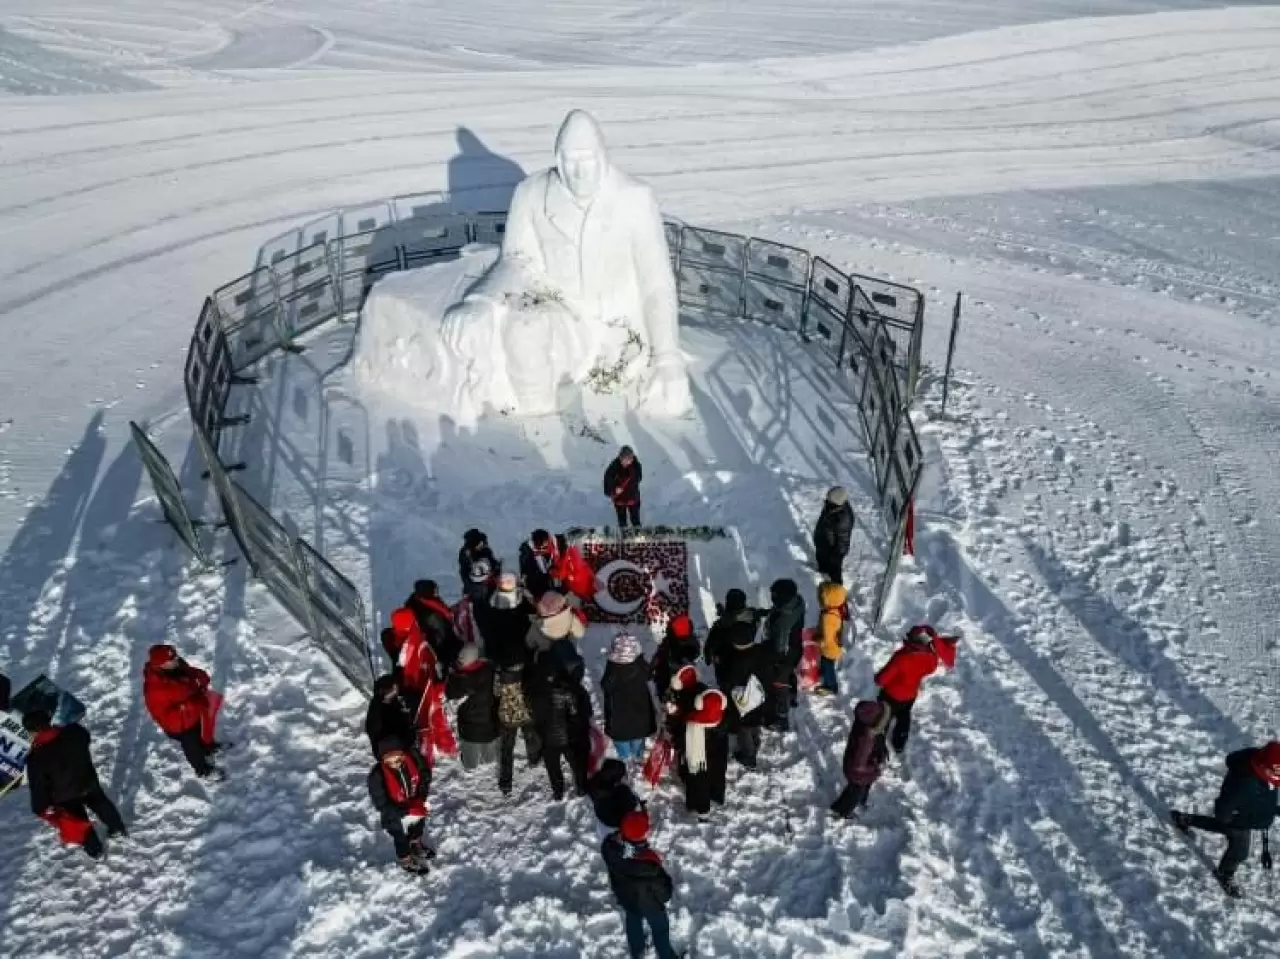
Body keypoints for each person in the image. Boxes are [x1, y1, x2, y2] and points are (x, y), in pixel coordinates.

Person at [1171, 742, 1280, 897]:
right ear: (1263, 767)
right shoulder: (1242, 783)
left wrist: (1270, 810)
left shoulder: (1263, 766)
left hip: (1250, 813)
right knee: (1239, 850)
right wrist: (1234, 818)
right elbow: (1223, 812)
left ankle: (1185, 819)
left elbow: (1266, 795)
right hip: (1241, 819)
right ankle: (1225, 873)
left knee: (1222, 826)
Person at [23, 710, 126, 860]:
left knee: (79, 822)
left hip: (65, 796)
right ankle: (117, 828)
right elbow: (86, 737)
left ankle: (95, 850)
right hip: (88, 781)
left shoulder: (36, 758)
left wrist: (40, 808)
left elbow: (39, 787)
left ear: (33, 732)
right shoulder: (73, 732)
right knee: (102, 804)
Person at [475, 573, 542, 794]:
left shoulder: (498, 675)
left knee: (507, 746)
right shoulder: (527, 672)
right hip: (526, 705)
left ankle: (505, 781)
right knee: (530, 732)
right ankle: (534, 758)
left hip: (506, 712)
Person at [602, 809, 680, 959]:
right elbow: (665, 894)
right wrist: (655, 862)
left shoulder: (610, 850)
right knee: (660, 931)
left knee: (633, 924)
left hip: (627, 900)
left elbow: (611, 842)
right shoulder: (650, 869)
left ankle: (637, 952)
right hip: (652, 908)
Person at [874, 625, 960, 760]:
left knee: (883, 718)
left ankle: (877, 744)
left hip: (891, 696)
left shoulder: (901, 657)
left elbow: (881, 680)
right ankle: (899, 744)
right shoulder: (932, 659)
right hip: (910, 695)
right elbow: (928, 669)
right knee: (904, 717)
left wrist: (877, 676)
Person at [142, 644, 226, 781]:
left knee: (204, 731)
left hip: (193, 714)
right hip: (181, 727)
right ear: (160, 665)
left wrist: (201, 676)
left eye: (175, 656)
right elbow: (165, 716)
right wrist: (191, 705)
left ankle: (209, 748)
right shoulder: (155, 690)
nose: (176, 660)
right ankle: (202, 770)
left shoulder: (177, 665)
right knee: (192, 747)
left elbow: (191, 673)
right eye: (171, 660)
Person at [531, 641, 593, 800]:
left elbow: (536, 715)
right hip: (572, 737)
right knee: (578, 765)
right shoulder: (575, 688)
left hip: (550, 738)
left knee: (553, 767)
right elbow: (584, 712)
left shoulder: (539, 688)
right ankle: (581, 788)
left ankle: (558, 791)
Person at [666, 666, 728, 817]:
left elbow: (682, 739)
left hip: (700, 761)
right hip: (719, 755)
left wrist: (673, 717)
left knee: (699, 782)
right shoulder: (720, 715)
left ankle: (701, 809)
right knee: (718, 773)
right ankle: (717, 795)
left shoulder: (694, 726)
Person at [368, 736, 434, 875]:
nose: (395, 763)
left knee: (418, 826)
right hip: (395, 815)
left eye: (398, 759)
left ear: (403, 754)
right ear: (382, 759)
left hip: (415, 805)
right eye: (389, 760)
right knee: (400, 838)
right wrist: (406, 810)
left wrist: (420, 798)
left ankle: (415, 843)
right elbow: (382, 805)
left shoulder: (413, 760)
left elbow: (424, 775)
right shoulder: (377, 776)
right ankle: (405, 859)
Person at [717, 621, 771, 769]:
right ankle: (755, 741)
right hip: (760, 697)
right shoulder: (761, 651)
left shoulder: (737, 661)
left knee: (744, 728)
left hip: (745, 703)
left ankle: (749, 756)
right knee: (754, 722)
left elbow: (728, 682)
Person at [601, 631, 658, 763]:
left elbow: (606, 686)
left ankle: (626, 761)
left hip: (619, 716)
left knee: (622, 743)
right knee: (638, 739)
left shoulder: (612, 667)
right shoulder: (639, 663)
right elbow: (649, 674)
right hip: (640, 713)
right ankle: (638, 758)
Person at [830, 699, 892, 819]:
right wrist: (875, 766)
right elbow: (859, 765)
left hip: (859, 771)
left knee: (856, 789)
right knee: (855, 793)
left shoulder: (864, 725)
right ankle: (842, 811)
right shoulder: (866, 740)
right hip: (858, 774)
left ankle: (856, 801)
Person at [445, 644, 501, 771]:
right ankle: (489, 759)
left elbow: (450, 694)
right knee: (490, 755)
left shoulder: (462, 679)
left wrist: (452, 674)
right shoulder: (489, 669)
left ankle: (470, 765)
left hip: (470, 728)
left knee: (470, 763)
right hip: (490, 724)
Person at [762, 579, 805, 732]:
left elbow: (779, 644)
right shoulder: (798, 601)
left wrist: (776, 660)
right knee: (789, 674)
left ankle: (781, 717)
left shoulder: (782, 623)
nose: (772, 597)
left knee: (779, 682)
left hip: (784, 654)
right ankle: (792, 695)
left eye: (774, 595)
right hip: (795, 648)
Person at [703, 589, 764, 686]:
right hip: (748, 660)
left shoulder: (720, 626)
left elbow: (709, 648)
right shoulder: (752, 616)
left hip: (726, 667)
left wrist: (709, 657)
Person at [519, 529, 597, 603]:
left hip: (566, 580)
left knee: (580, 579)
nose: (542, 550)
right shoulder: (528, 555)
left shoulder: (563, 546)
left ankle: (589, 594)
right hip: (541, 588)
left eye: (545, 547)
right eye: (540, 548)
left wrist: (556, 572)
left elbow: (568, 570)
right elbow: (526, 574)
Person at [404, 580, 462, 671]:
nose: (437, 592)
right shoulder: (430, 614)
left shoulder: (417, 602)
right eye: (435, 590)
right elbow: (442, 635)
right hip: (441, 651)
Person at [588, 757, 644, 838]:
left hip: (602, 818)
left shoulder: (595, 781)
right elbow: (631, 806)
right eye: (622, 776)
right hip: (618, 823)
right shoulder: (622, 791)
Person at [815, 582, 851, 695]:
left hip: (829, 647)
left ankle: (831, 685)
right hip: (834, 646)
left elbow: (827, 637)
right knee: (827, 663)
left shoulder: (828, 617)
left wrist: (818, 640)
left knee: (828, 665)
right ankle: (824, 673)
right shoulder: (836, 609)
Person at [365, 674, 415, 758]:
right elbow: (376, 727)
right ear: (383, 691)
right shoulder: (377, 707)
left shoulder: (393, 702)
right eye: (393, 689)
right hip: (392, 751)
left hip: (401, 748)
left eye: (396, 688)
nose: (396, 691)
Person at [813, 486, 855, 585]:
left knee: (834, 571)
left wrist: (836, 556)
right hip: (823, 543)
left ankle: (837, 589)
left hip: (832, 550)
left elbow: (843, 542)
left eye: (829, 499)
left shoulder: (843, 520)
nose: (826, 500)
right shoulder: (831, 506)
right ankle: (822, 571)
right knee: (821, 560)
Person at [651, 614, 700, 696]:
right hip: (688, 675)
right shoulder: (692, 640)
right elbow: (696, 653)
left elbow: (659, 658)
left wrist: (652, 670)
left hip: (671, 675)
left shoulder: (668, 643)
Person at [527, 590, 588, 655]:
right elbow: (581, 633)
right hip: (560, 650)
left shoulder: (537, 625)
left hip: (544, 652)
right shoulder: (570, 617)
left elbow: (529, 642)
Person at [604, 446, 644, 528]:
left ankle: (638, 536)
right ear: (620, 457)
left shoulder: (636, 465)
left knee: (635, 520)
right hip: (620, 500)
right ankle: (624, 536)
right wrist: (614, 489)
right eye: (624, 459)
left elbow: (637, 478)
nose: (626, 462)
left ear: (632, 458)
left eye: (628, 459)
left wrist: (630, 470)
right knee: (622, 522)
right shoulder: (613, 466)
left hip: (633, 499)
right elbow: (607, 481)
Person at [458, 528, 501, 602]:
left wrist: (497, 567)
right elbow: (464, 572)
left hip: (489, 584)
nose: (482, 545)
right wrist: (470, 587)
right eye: (480, 543)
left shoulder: (486, 550)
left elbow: (492, 562)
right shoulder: (466, 553)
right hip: (474, 587)